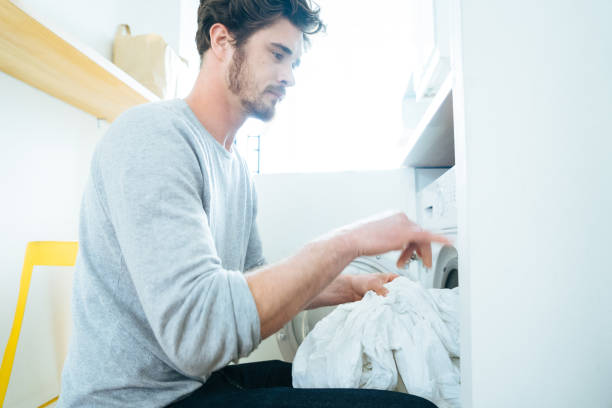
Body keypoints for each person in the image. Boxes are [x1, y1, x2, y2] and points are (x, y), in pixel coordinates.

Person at [58, 0, 449, 407]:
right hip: (132, 401)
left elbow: (248, 279)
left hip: (190, 386)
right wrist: (349, 241)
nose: (290, 76)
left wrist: (351, 287)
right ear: (222, 40)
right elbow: (200, 334)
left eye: (295, 62)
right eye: (278, 55)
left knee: (369, 384)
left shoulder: (236, 169)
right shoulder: (152, 138)